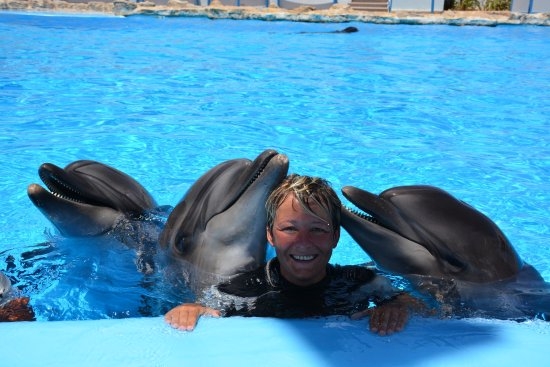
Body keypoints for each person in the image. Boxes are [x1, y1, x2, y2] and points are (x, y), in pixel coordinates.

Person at [165, 174, 425, 336]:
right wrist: (191, 309)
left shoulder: (360, 280)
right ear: (270, 235)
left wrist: (396, 308)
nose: (303, 242)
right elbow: (204, 306)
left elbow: (418, 307)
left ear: (335, 237)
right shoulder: (244, 288)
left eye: (317, 230)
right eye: (290, 229)